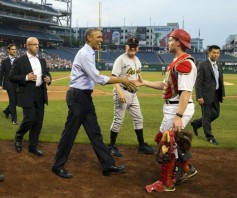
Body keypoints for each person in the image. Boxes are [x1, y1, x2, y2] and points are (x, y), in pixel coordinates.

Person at [52, 28, 137, 178]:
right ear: (89, 38)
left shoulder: (89, 53)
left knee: (95, 132)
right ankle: (57, 166)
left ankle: (107, 164)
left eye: (101, 37)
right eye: (98, 37)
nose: (101, 39)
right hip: (78, 96)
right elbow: (98, 79)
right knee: (70, 133)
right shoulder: (84, 54)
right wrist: (122, 79)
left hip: (85, 97)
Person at [136, 29, 198, 192]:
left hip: (178, 108)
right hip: (172, 107)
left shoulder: (185, 63)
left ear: (178, 42)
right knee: (161, 139)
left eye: (170, 40)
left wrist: (178, 116)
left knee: (168, 144)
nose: (168, 42)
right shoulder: (177, 61)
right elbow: (166, 85)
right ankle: (185, 168)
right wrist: (145, 83)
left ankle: (166, 183)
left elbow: (186, 92)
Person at [107, 37, 154, 157]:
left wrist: (141, 81)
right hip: (122, 92)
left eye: (135, 46)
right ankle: (111, 146)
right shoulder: (121, 60)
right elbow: (113, 78)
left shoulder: (137, 59)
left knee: (139, 118)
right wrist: (120, 93)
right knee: (118, 120)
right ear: (126, 47)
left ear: (137, 48)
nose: (132, 48)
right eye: (130, 46)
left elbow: (138, 75)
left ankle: (141, 145)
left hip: (133, 94)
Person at [9, 37, 52, 156]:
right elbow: (11, 77)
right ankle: (19, 137)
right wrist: (26, 77)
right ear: (27, 46)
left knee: (38, 121)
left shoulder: (42, 60)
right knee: (30, 118)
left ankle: (33, 146)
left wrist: (49, 78)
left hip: (40, 93)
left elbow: (47, 74)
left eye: (38, 44)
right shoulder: (19, 61)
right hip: (26, 93)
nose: (37, 46)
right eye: (34, 44)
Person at [190, 45, 225, 145]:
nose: (216, 54)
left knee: (216, 114)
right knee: (206, 116)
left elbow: (220, 80)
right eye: (214, 52)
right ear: (209, 53)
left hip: (216, 94)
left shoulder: (218, 65)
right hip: (205, 95)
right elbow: (198, 82)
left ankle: (196, 123)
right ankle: (209, 137)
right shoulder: (202, 65)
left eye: (218, 53)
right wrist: (199, 96)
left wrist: (222, 93)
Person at [0, 43, 18, 124]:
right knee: (13, 100)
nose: (14, 51)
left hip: (17, 84)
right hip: (8, 83)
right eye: (12, 49)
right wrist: (0, 84)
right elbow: (1, 73)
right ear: (8, 50)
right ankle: (14, 119)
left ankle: (7, 111)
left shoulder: (18, 60)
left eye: (15, 49)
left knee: (15, 100)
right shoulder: (4, 61)